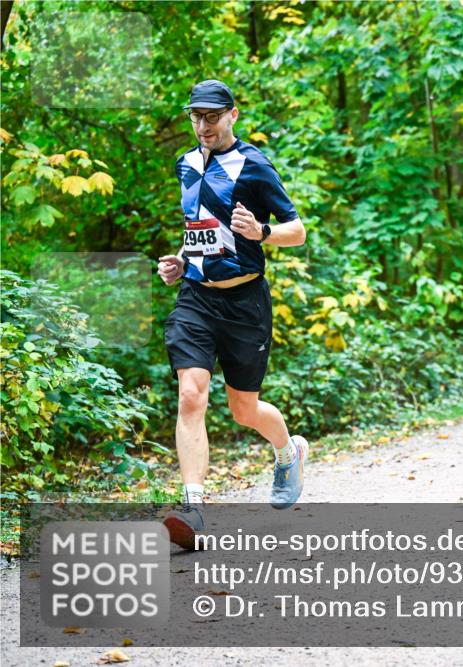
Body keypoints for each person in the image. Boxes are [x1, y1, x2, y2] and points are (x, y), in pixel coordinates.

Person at [157, 80, 309, 549]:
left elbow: (298, 231)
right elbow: (198, 228)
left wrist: (262, 231)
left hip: (245, 303)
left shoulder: (255, 165)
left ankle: (288, 452)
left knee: (244, 410)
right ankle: (194, 510)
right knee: (190, 395)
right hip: (196, 298)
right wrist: (182, 261)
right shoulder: (185, 164)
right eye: (195, 117)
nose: (202, 125)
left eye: (211, 116)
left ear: (232, 115)